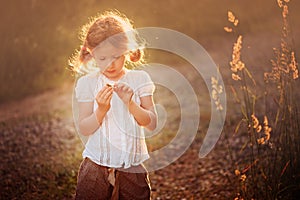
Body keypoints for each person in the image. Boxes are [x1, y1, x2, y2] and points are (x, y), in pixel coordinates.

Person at [70, 10, 157, 200]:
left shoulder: (139, 79)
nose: (110, 64)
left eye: (116, 56)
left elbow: (151, 123)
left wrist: (131, 104)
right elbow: (84, 128)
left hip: (132, 167)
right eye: (102, 59)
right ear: (91, 54)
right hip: (95, 166)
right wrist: (101, 110)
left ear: (127, 50)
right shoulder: (87, 83)